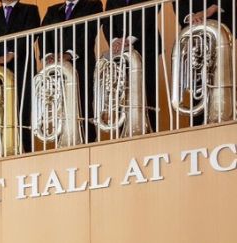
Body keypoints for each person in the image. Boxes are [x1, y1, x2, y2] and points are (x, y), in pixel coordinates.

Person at [0, 0, 41, 156]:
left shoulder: (30, 10)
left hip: (22, 67)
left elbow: (31, 33)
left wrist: (12, 54)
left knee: (23, 110)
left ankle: (26, 152)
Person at [39, 0, 104, 144]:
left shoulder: (93, 5)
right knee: (58, 105)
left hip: (81, 64)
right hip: (56, 67)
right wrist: (48, 55)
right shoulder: (52, 10)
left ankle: (87, 142)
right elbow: (43, 34)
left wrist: (68, 54)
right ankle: (62, 142)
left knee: (83, 103)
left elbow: (90, 30)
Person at [102, 0, 161, 135]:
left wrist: (129, 39)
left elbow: (150, 12)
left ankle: (150, 130)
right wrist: (114, 40)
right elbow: (107, 20)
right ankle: (123, 131)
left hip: (146, 47)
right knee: (121, 91)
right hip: (119, 51)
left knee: (147, 89)